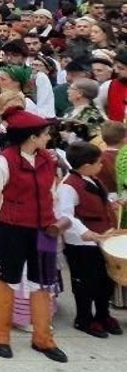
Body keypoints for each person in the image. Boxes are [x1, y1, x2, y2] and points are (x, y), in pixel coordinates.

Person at [0, 109, 66, 362]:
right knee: (8, 280)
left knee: (43, 282)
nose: (48, 137)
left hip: (44, 229)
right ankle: (0, 336)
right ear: (31, 137)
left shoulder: (48, 160)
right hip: (12, 229)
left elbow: (52, 193)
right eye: (45, 134)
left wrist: (54, 219)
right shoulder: (3, 163)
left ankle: (43, 338)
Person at [55, 141, 121, 338]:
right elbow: (66, 214)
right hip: (81, 243)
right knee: (85, 282)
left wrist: (112, 203)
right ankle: (84, 318)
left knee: (105, 280)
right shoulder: (68, 186)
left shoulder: (93, 179)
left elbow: (99, 200)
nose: (101, 165)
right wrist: (85, 232)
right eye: (98, 162)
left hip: (102, 238)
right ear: (86, 166)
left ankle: (102, 314)